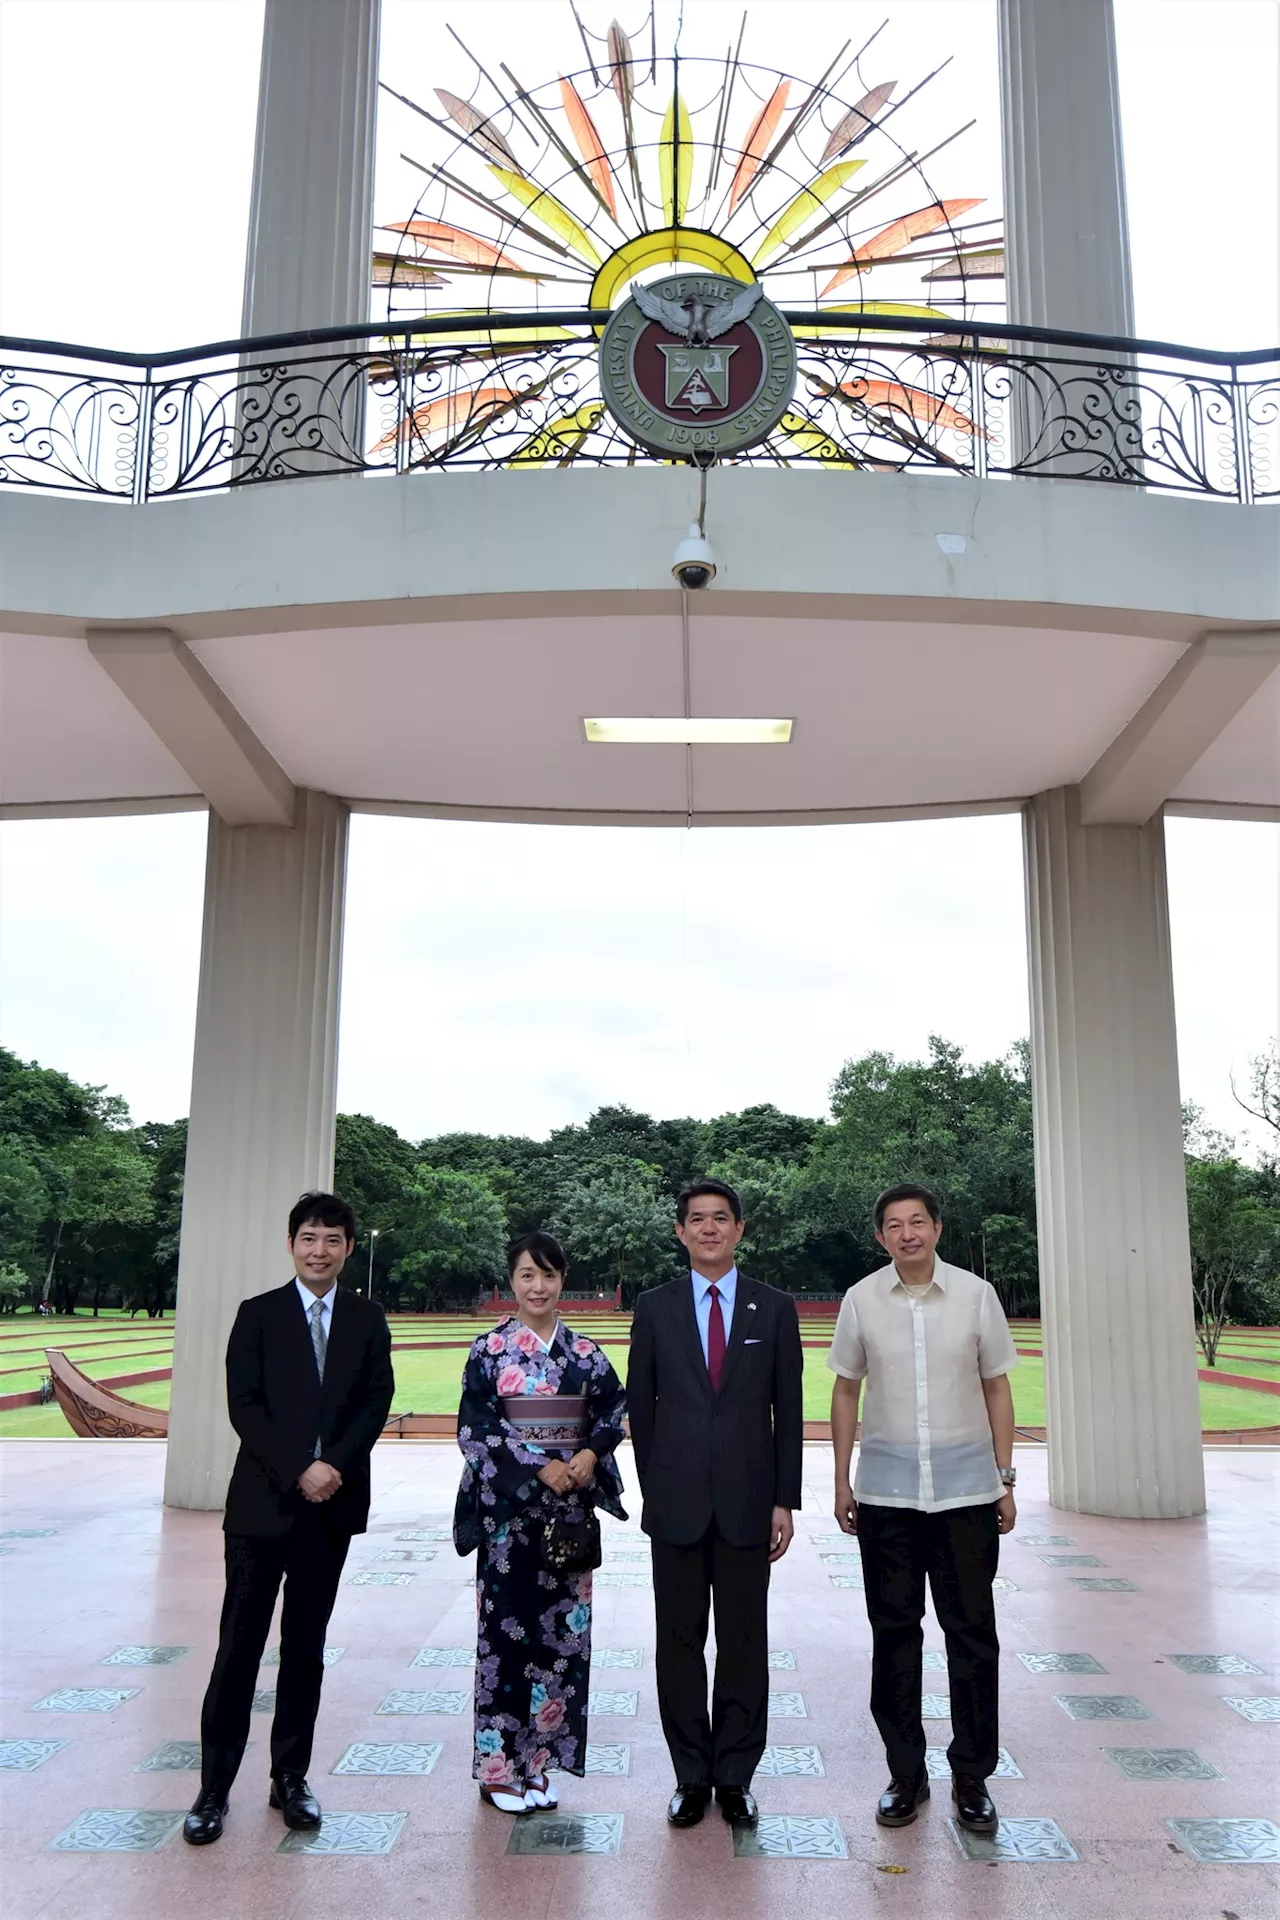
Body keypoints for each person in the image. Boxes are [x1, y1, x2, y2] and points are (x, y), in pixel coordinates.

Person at [183, 1191, 394, 1846]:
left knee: (305, 1648)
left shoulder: (366, 1318)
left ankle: (290, 1780)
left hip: (329, 1509)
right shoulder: (258, 1315)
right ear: (291, 1244)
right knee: (239, 1648)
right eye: (309, 1237)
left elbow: (376, 1398)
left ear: (349, 1247)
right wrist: (299, 1466)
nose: (320, 1250)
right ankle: (213, 1789)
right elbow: (244, 1406)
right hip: (261, 1507)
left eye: (333, 1239)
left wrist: (332, 1466)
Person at [828, 1183, 1018, 1838]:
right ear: (880, 1237)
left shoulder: (976, 1296)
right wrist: (841, 1481)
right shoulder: (860, 1300)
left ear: (937, 1228)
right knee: (894, 1633)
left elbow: (997, 1387)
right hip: (886, 1497)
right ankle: (905, 1773)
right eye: (893, 1225)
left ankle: (972, 1775)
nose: (906, 1233)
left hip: (966, 1494)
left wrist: (1005, 1478)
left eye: (917, 1222)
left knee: (971, 1634)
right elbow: (846, 1391)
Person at [626, 1179, 804, 1830]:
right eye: (696, 1220)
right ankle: (690, 1775)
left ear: (739, 1229)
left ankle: (734, 1775)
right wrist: (655, 1482)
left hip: (748, 1503)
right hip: (674, 1502)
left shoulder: (774, 1308)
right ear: (680, 1232)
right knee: (677, 1643)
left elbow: (789, 1409)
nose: (708, 1229)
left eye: (720, 1219)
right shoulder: (655, 1306)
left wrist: (785, 1498)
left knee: (743, 1642)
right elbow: (638, 1408)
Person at [454, 1231, 627, 1815]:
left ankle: (541, 1764)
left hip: (568, 1520)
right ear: (512, 1280)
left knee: (561, 1639)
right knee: (504, 1639)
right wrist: (539, 1466)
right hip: (510, 1519)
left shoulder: (584, 1353)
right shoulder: (489, 1351)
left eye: (548, 1276)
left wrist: (586, 1455)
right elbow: (474, 1430)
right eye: (527, 1275)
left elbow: (615, 1408)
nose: (538, 1286)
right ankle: (499, 1768)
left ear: (562, 1281)